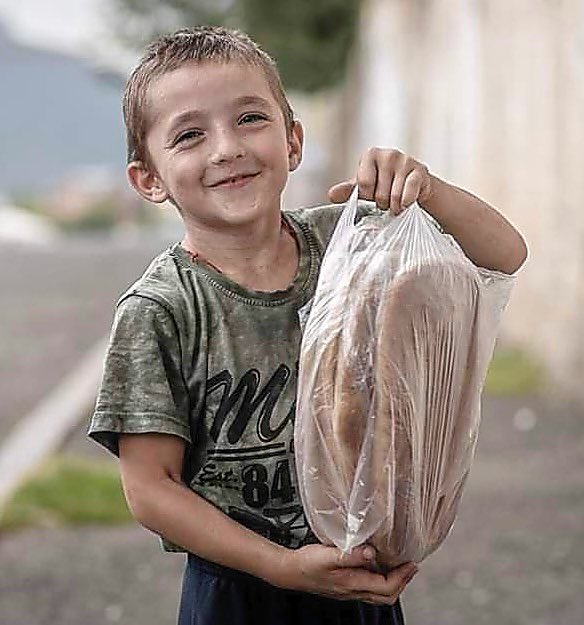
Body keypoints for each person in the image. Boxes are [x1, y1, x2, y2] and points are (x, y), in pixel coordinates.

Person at [87, 25, 527, 625]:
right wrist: (280, 565)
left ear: (292, 141)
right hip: (238, 591)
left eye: (250, 119)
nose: (227, 148)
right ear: (149, 179)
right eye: (190, 135)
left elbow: (503, 254)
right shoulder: (160, 310)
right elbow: (151, 489)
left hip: (363, 576)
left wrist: (431, 191)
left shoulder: (350, 245)